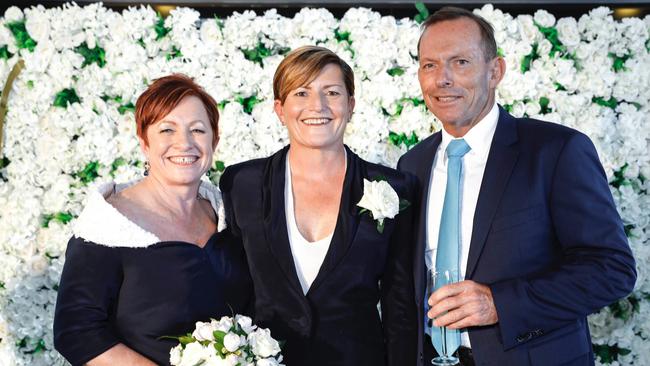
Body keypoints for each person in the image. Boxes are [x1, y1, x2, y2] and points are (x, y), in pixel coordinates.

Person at [398, 7, 637, 366]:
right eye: (429, 65)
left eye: (460, 62)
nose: (441, 79)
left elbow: (612, 269)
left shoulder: (555, 151)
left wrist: (500, 303)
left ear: (495, 71)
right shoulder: (412, 164)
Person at [219, 45, 417, 366]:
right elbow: (232, 289)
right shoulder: (242, 183)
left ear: (351, 105)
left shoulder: (394, 188)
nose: (318, 106)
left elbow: (400, 304)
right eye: (301, 93)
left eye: (332, 92)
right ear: (280, 109)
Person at [53, 74, 253, 366]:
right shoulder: (109, 225)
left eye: (197, 130)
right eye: (167, 130)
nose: (184, 143)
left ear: (214, 140)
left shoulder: (228, 213)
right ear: (144, 142)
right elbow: (77, 332)